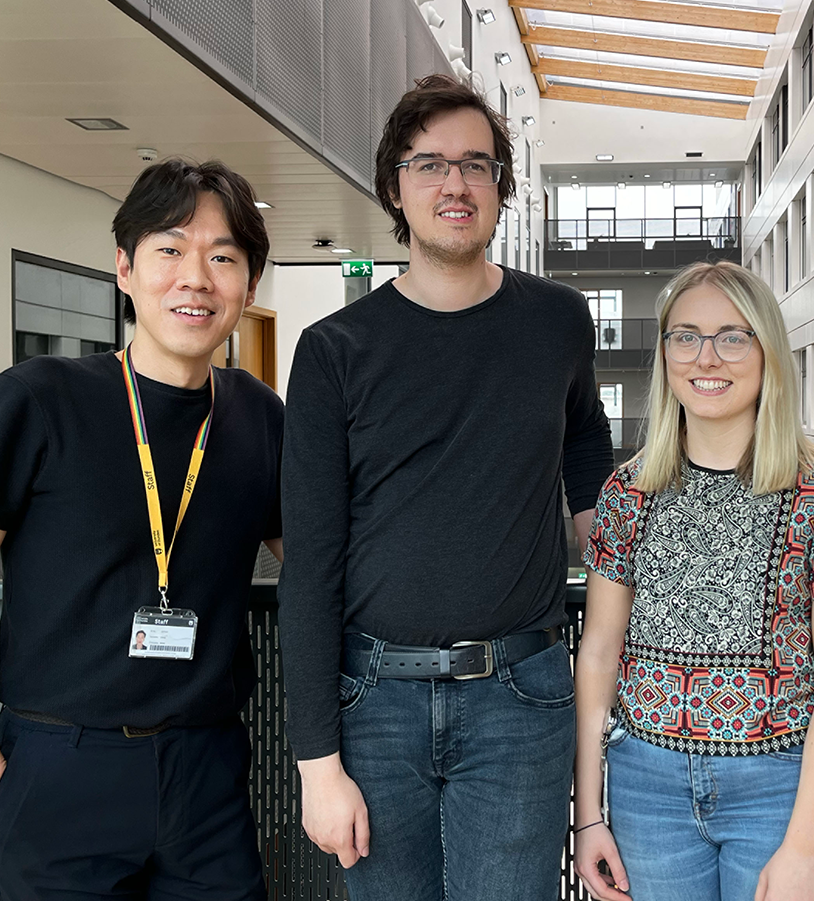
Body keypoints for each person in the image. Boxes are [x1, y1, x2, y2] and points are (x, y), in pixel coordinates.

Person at [276, 74, 614, 901]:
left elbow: (588, 467)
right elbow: (310, 563)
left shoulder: (558, 322)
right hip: (373, 703)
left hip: (522, 695)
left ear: (502, 184)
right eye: (428, 164)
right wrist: (317, 763)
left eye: (476, 163)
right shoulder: (334, 350)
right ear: (395, 184)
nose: (454, 183)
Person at [0, 158, 282, 900]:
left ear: (247, 285)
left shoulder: (261, 416)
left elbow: (318, 562)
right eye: (170, 250)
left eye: (223, 257)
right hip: (59, 764)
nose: (195, 277)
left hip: (205, 769)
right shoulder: (37, 398)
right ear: (124, 266)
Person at [574, 261, 814, 901]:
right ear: (663, 354)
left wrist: (804, 845)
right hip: (646, 789)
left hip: (782, 788)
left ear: (767, 351)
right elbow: (599, 653)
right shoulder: (628, 491)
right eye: (685, 336)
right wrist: (589, 812)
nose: (706, 356)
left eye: (733, 336)